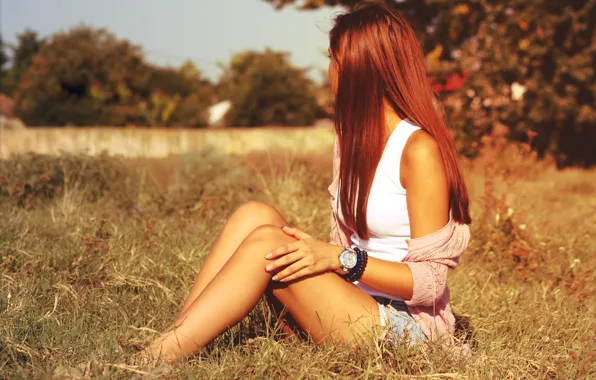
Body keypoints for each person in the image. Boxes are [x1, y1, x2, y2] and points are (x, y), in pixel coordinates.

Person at [138, 2, 471, 363]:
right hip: (349, 302)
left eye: (334, 60)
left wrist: (341, 260)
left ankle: (146, 364)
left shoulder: (418, 150)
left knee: (267, 241)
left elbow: (430, 283)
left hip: (406, 327)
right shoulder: (350, 140)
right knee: (255, 215)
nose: (329, 72)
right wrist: (335, 266)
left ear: (360, 69)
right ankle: (170, 343)